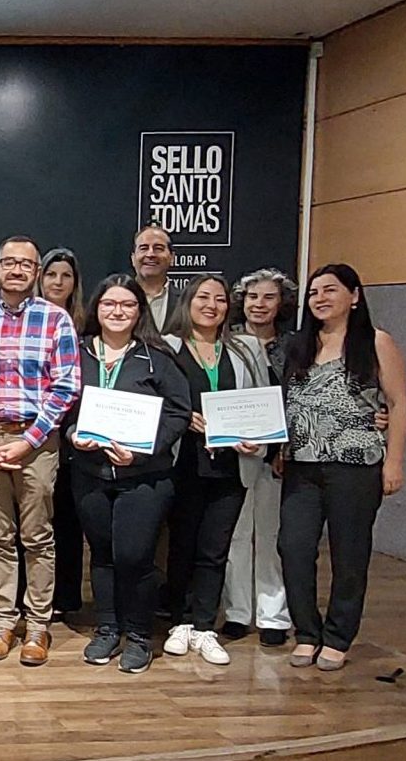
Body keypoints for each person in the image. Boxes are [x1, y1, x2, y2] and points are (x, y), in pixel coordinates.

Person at [0, 236, 80, 666]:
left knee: (38, 538)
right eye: (9, 262)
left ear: (37, 271)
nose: (17, 270)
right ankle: (4, 625)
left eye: (26, 264)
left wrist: (29, 440)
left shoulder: (56, 320)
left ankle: (38, 628)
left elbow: (66, 387)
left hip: (37, 443)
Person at [278, 264, 406, 671]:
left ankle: (338, 637)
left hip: (356, 466)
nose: (320, 298)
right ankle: (306, 632)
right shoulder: (300, 345)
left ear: (354, 296)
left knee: (349, 555)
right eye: (314, 292)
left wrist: (394, 461)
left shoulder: (375, 342)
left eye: (330, 290)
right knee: (293, 548)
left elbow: (399, 404)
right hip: (301, 466)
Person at [68, 275, 191, 674]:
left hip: (145, 477)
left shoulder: (156, 357)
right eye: (109, 304)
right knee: (102, 555)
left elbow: (177, 412)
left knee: (135, 557)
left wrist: (144, 449)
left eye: (127, 305)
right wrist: (72, 434)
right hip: (90, 473)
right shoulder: (77, 353)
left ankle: (138, 635)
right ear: (96, 309)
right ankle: (107, 628)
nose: (117, 312)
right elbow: (63, 405)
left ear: (139, 312)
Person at [159, 274, 268, 667]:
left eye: (220, 299)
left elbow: (260, 400)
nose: (211, 305)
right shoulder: (167, 347)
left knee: (215, 547)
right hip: (182, 461)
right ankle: (181, 621)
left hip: (231, 464)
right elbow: (156, 398)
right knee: (182, 544)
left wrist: (260, 438)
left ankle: (205, 626)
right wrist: (183, 416)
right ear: (187, 302)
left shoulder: (246, 349)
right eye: (202, 297)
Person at [222, 267, 298, 644]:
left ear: (281, 303)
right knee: (236, 535)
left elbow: (300, 401)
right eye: (253, 297)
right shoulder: (228, 343)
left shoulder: (296, 346)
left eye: (268, 297)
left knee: (270, 535)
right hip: (232, 452)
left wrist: (283, 447)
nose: (259, 304)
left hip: (278, 456)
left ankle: (273, 616)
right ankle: (237, 613)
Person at [36, 248, 87, 616]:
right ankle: (34, 597)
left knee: (68, 521)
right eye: (51, 274)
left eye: (65, 275)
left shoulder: (89, 324)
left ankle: (65, 598)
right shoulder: (29, 322)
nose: (57, 282)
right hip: (38, 435)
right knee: (37, 523)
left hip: (80, 437)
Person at [132, 224, 177, 332]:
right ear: (133, 259)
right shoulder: (118, 301)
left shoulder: (186, 302)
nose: (150, 254)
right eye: (144, 248)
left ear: (172, 258)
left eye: (158, 248)